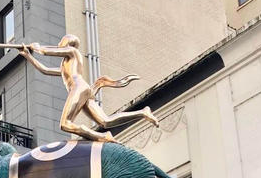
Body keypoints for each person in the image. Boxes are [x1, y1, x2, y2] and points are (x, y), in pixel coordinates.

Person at [19, 35, 158, 143]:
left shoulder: (72, 52)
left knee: (65, 124)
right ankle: (142, 112)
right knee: (105, 121)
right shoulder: (65, 65)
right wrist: (28, 55)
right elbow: (45, 70)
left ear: (67, 44)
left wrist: (36, 47)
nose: (59, 44)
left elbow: (44, 51)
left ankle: (102, 136)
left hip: (79, 88)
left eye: (61, 42)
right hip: (83, 90)